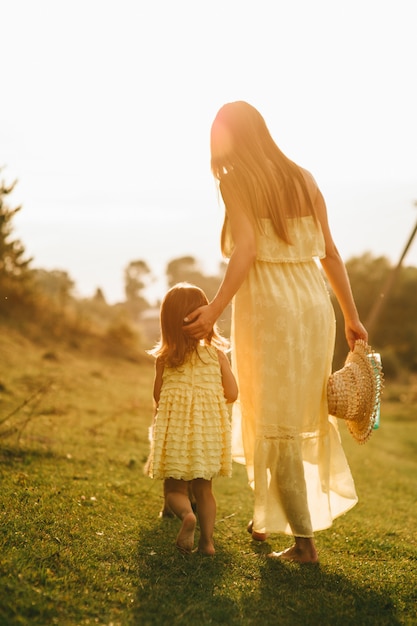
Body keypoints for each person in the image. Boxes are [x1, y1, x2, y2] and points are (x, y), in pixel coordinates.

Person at [183, 101, 368, 564]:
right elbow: (330, 252)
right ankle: (266, 518)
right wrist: (351, 314)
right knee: (296, 413)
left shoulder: (236, 181)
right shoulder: (304, 177)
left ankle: (304, 544)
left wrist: (215, 309)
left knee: (274, 418)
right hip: (312, 308)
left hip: (269, 310)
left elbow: (245, 249)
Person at [145, 282, 238, 555]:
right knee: (205, 492)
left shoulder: (164, 359)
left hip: (176, 437)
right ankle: (207, 543)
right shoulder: (217, 356)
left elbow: (158, 397)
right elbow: (232, 393)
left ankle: (186, 515)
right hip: (207, 436)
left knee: (176, 489)